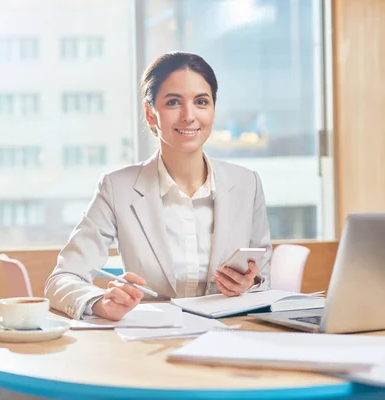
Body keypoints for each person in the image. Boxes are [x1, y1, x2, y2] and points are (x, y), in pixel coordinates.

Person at [45, 52, 272, 321]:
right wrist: (99, 301)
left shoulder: (247, 184)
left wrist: (251, 283)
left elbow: (264, 279)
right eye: (173, 102)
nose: (189, 116)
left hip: (228, 340)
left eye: (201, 102)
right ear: (150, 114)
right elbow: (62, 279)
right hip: (151, 343)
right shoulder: (117, 188)